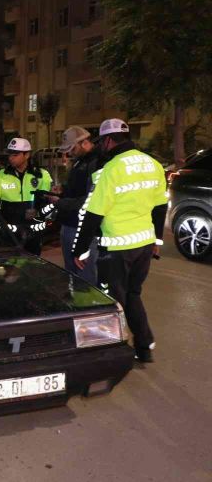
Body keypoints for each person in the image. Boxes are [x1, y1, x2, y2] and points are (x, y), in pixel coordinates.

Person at [72, 119, 167, 363]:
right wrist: (157, 239)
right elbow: (160, 206)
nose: (101, 146)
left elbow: (94, 213)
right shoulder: (153, 164)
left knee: (112, 301)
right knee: (133, 295)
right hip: (144, 244)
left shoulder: (111, 170)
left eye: (101, 142)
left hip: (116, 247)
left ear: (109, 141)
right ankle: (144, 347)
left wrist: (80, 250)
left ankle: (112, 353)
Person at [50, 126, 104, 284]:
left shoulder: (96, 163)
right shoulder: (81, 161)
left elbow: (91, 199)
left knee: (85, 279)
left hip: (83, 229)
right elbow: (78, 189)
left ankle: (87, 307)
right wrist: (63, 190)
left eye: (72, 148)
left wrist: (61, 202)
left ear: (84, 143)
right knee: (71, 275)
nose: (69, 153)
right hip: (70, 224)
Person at [0, 138, 53, 255]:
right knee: (9, 267)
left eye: (15, 155)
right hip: (9, 233)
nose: (11, 158)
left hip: (34, 233)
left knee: (32, 267)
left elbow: (48, 201)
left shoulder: (42, 175)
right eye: (9, 155)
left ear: (27, 155)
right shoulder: (0, 176)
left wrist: (37, 211)